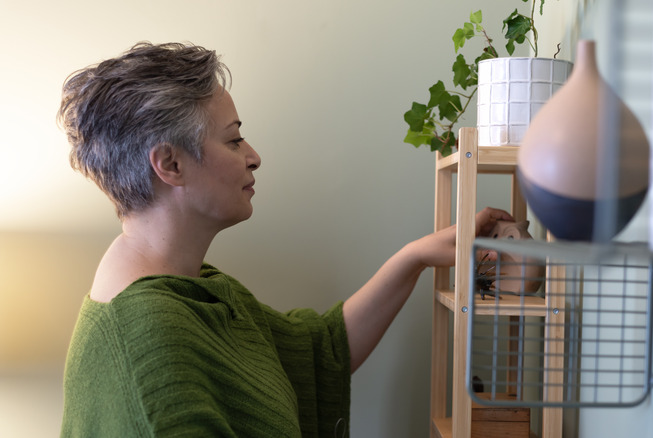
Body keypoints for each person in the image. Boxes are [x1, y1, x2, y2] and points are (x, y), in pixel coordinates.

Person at [57, 41, 513, 437]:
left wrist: (414, 257)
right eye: (233, 141)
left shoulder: (193, 288)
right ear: (170, 165)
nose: (253, 157)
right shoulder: (150, 344)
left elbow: (318, 352)